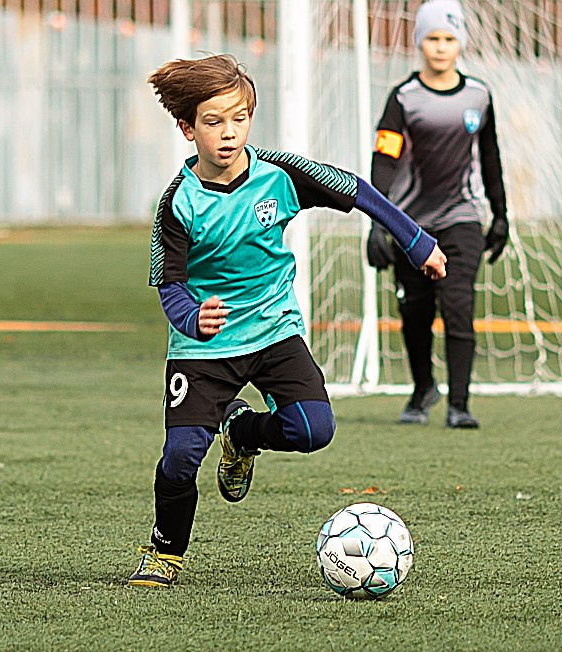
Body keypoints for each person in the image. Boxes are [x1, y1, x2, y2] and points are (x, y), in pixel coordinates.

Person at [127, 52, 446, 589]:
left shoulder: (280, 174)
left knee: (313, 429)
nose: (229, 133)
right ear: (187, 128)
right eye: (213, 121)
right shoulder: (178, 203)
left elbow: (357, 190)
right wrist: (192, 318)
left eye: (240, 118)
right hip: (203, 348)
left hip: (275, 331)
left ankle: (242, 430)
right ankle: (164, 552)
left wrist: (415, 242)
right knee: (181, 456)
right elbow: (168, 282)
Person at [366, 0, 509, 429]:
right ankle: (423, 388)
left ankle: (459, 404)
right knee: (415, 314)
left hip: (463, 219)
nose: (441, 47)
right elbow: (385, 160)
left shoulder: (478, 95)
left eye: (449, 38)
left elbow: (490, 158)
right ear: (419, 42)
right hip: (411, 226)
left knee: (459, 306)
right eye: (432, 38)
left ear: (461, 42)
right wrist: (379, 222)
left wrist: (500, 214)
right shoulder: (403, 99)